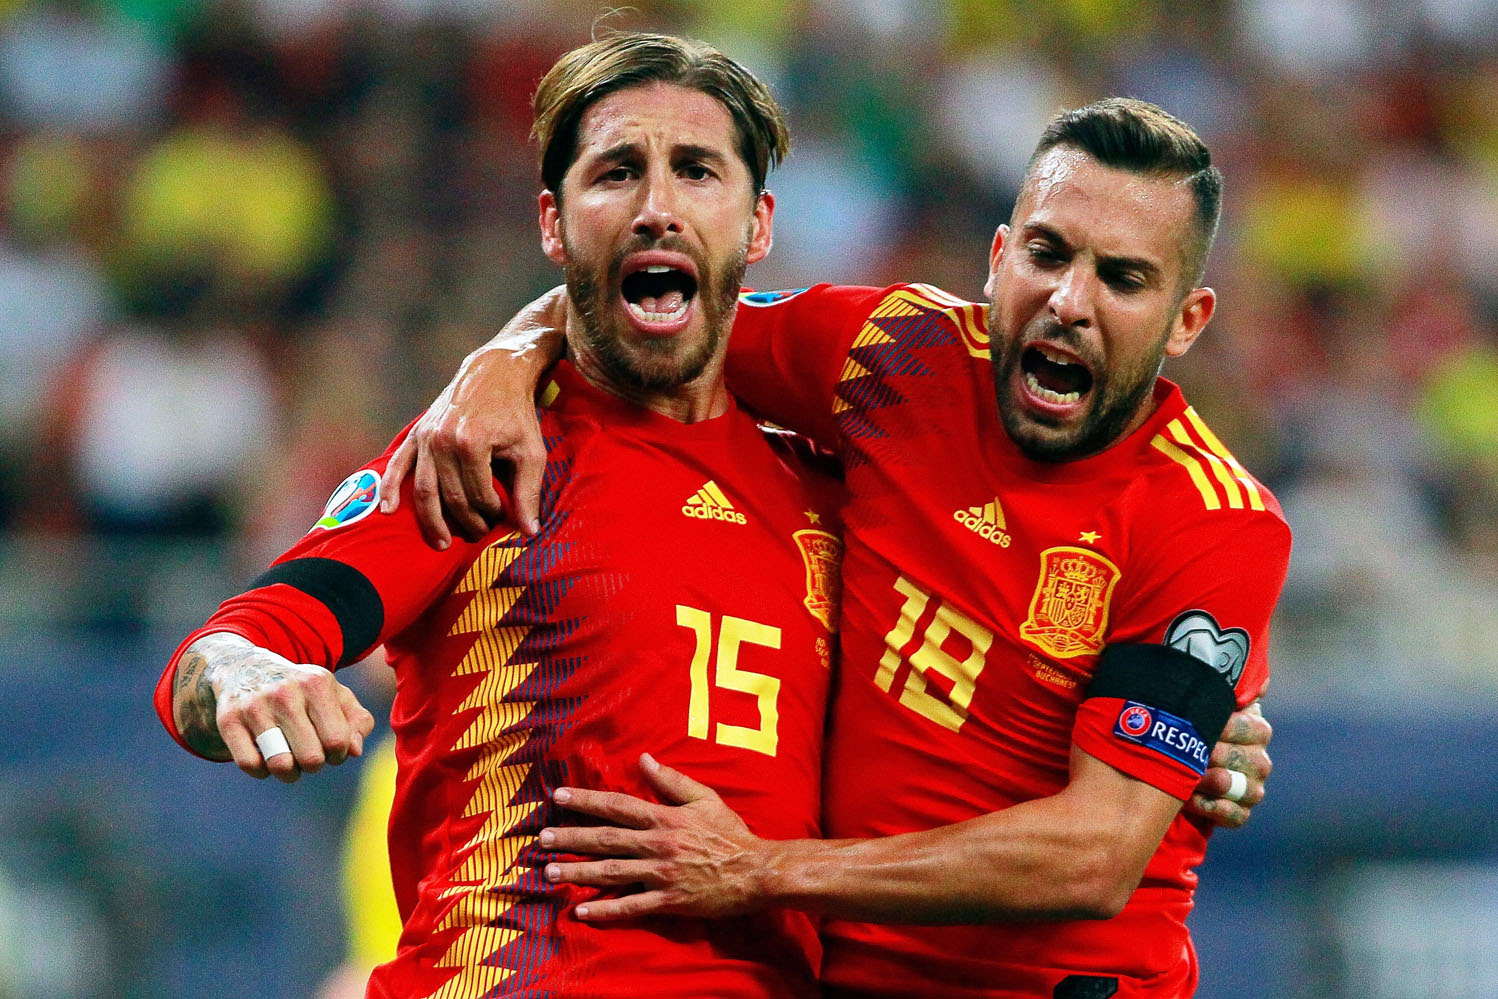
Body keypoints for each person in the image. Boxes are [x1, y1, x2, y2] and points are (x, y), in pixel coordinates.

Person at [383, 96, 1290, 997]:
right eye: (1048, 254)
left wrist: (763, 869)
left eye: (1124, 279)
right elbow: (656, 302)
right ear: (999, 255)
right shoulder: (892, 355)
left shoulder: (1212, 522)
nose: (1069, 302)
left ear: (1187, 319)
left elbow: (1096, 856)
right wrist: (504, 356)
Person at [154, 32, 844, 999]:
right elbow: (232, 643)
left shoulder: (829, 489)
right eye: (615, 174)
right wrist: (241, 671)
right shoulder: (484, 455)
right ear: (555, 228)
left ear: (757, 223)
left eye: (697, 171)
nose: (657, 207)